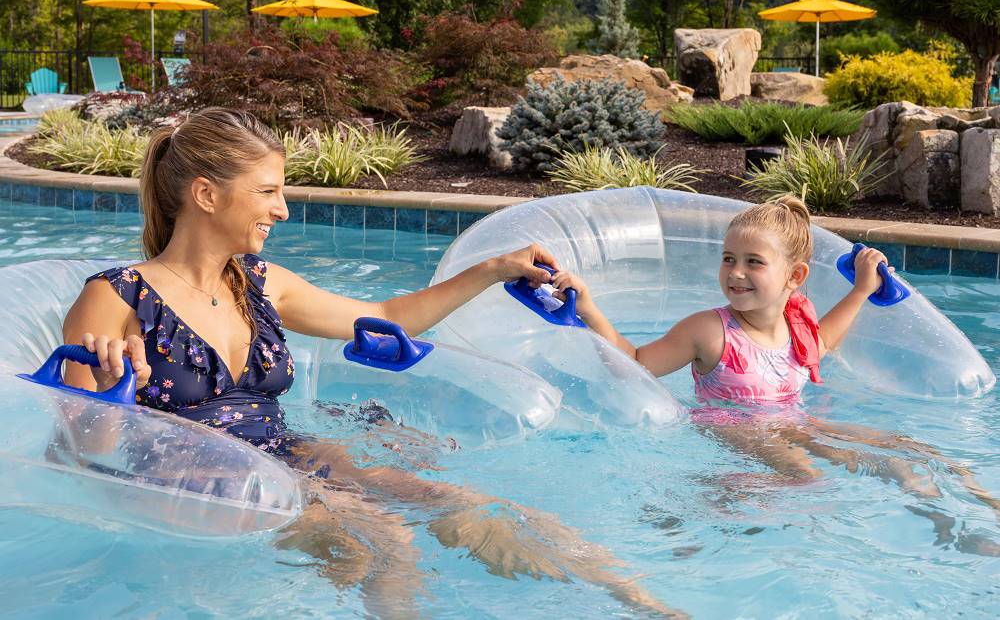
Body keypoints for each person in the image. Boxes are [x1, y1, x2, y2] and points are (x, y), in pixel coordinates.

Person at [61, 108, 679, 619]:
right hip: (190, 475)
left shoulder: (261, 283)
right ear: (206, 195)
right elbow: (79, 444)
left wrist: (493, 270)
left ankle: (645, 604)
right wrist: (116, 391)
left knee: (467, 504)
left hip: (281, 452)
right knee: (386, 538)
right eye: (269, 192)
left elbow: (385, 313)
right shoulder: (114, 297)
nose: (282, 210)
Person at [552, 196, 1000, 552]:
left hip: (792, 422)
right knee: (808, 477)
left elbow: (826, 340)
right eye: (729, 259)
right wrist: (588, 307)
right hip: (732, 428)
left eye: (754, 261)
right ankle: (705, 505)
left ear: (795, 276)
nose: (737, 272)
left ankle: (954, 524)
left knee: (908, 451)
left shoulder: (796, 325)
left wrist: (863, 288)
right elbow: (637, 363)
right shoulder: (709, 330)